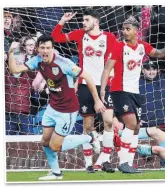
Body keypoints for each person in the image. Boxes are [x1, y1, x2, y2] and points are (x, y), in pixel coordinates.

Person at [100, 15, 165, 173]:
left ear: (136, 31)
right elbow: (107, 69)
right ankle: (123, 162)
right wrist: (103, 89)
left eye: (128, 29)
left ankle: (128, 163)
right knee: (130, 123)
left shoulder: (142, 46)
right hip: (119, 91)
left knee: (136, 127)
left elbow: (160, 53)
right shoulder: (118, 47)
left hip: (135, 92)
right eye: (123, 29)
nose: (124, 31)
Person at [8, 34, 106, 180]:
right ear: (38, 49)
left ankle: (89, 139)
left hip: (67, 110)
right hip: (52, 107)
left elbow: (87, 76)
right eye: (42, 48)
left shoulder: (63, 63)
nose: (45, 51)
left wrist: (97, 100)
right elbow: (15, 70)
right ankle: (56, 173)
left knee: (54, 146)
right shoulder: (37, 60)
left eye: (48, 48)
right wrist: (10, 53)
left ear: (53, 49)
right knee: (45, 142)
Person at [51, 8, 117, 173]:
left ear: (96, 21)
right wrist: (62, 21)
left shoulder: (109, 37)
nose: (83, 23)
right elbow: (55, 38)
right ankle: (88, 163)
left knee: (108, 121)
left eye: (86, 20)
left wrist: (109, 84)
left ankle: (104, 160)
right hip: (84, 85)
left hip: (104, 85)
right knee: (88, 127)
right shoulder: (80, 34)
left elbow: (112, 62)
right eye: (83, 20)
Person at [5, 36, 37, 135]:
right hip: (7, 114)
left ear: (25, 56)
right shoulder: (5, 69)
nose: (17, 57)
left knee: (28, 141)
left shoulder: (30, 71)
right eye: (15, 54)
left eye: (20, 54)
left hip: (24, 113)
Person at [139, 61, 165, 130]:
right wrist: (136, 119)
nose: (152, 72)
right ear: (143, 71)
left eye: (154, 69)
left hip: (163, 123)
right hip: (145, 125)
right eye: (149, 69)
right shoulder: (137, 83)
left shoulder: (163, 80)